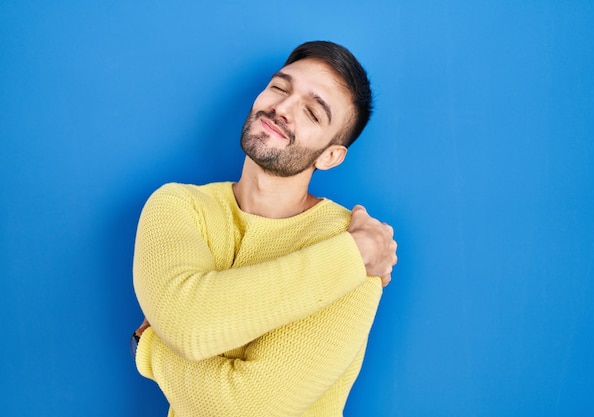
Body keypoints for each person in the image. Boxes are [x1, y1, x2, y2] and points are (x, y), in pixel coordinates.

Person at [131, 40, 398, 417]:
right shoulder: (178, 206)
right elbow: (188, 322)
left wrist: (150, 348)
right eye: (279, 87)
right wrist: (350, 258)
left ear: (330, 156)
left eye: (312, 112)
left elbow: (243, 406)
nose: (282, 109)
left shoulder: (349, 245)